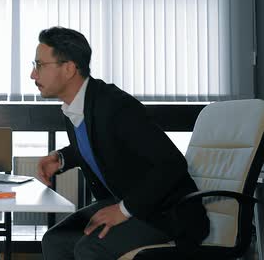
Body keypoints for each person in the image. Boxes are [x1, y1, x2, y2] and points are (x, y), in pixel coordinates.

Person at [34, 27, 209, 260]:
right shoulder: (76, 106)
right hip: (124, 200)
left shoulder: (115, 106)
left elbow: (172, 164)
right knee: (56, 240)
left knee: (89, 249)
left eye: (39, 65)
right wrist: (62, 158)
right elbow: (100, 143)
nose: (33, 75)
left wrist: (123, 210)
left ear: (68, 68)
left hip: (165, 212)